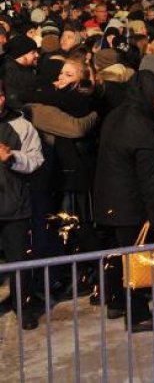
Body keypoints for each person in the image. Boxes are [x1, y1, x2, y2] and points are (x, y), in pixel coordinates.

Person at [93, 71, 154, 332]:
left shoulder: (116, 115)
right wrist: (153, 213)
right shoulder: (142, 129)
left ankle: (115, 303)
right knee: (137, 262)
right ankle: (138, 315)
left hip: (107, 200)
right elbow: (150, 178)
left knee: (115, 258)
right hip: (131, 205)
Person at [0, 78, 45, 330]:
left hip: (13, 205)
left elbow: (36, 159)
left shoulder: (21, 125)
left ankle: (22, 306)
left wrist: (11, 157)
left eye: (1, 95)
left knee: (19, 261)